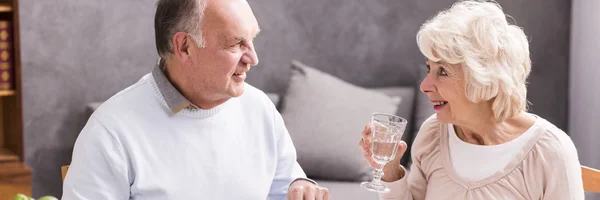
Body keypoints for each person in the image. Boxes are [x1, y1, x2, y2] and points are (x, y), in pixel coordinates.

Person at [62, 0, 329, 199]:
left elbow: (285, 183)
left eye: (252, 40)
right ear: (185, 47)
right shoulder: (111, 132)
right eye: (236, 43)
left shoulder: (259, 108)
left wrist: (299, 186)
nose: (253, 59)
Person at [359, 1, 584, 199]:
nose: (425, 86)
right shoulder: (432, 135)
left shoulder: (550, 151)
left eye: (443, 71)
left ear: (484, 78)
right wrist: (390, 170)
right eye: (429, 68)